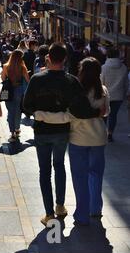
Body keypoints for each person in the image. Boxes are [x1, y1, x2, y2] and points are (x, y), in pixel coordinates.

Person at [23, 43, 102, 227]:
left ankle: (49, 214)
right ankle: (60, 206)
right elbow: (81, 109)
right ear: (65, 59)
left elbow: (26, 106)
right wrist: (97, 113)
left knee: (44, 171)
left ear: (48, 58)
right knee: (59, 166)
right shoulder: (71, 81)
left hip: (42, 132)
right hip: (62, 131)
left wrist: (40, 113)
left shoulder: (37, 79)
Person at [1, 50, 30, 142]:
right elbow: (27, 79)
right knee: (18, 111)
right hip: (19, 90)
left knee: (10, 112)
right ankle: (17, 129)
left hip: (7, 90)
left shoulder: (6, 66)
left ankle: (12, 132)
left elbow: (2, 78)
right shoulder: (22, 67)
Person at [101, 47, 129, 142]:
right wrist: (126, 93)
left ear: (107, 55)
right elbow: (126, 83)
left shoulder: (104, 67)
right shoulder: (124, 68)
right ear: (118, 55)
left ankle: (103, 133)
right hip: (118, 95)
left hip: (105, 95)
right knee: (113, 115)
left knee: (104, 115)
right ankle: (110, 133)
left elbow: (101, 82)